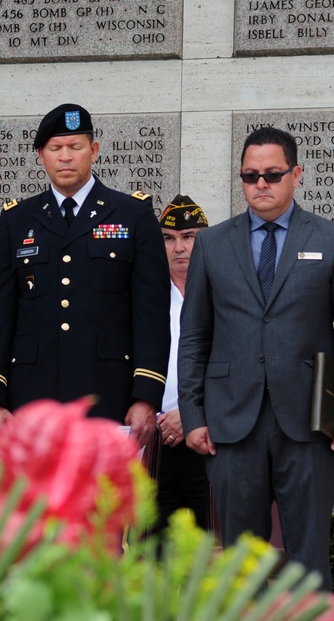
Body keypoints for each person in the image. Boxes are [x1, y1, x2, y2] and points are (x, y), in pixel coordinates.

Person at [177, 126, 334, 590]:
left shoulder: (333, 239)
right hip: (230, 423)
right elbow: (194, 337)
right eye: (250, 176)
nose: (260, 184)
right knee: (241, 566)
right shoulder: (212, 244)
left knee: (308, 558)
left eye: (271, 174)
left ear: (296, 174)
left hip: (309, 424)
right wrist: (193, 415)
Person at [0, 103, 171, 445]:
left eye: (75, 147)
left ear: (93, 151)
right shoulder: (17, 220)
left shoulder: (132, 215)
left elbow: (151, 314)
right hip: (32, 396)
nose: (65, 157)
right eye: (55, 148)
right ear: (41, 155)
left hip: (109, 393)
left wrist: (146, 396)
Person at [153, 194, 212, 534]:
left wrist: (189, 415)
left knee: (215, 542)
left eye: (189, 237)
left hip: (208, 438)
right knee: (154, 549)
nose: (179, 248)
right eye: (169, 238)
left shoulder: (224, 295)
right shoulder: (149, 299)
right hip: (158, 439)